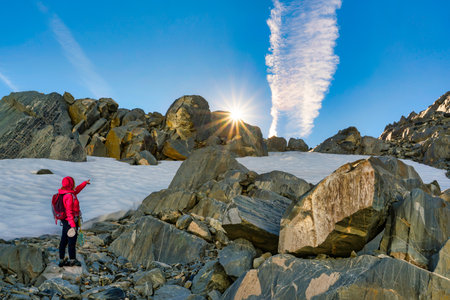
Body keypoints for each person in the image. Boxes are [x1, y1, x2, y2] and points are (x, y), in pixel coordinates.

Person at [58, 176, 90, 267]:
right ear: (71, 184)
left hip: (65, 221)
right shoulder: (69, 196)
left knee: (64, 239)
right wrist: (73, 225)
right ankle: (72, 260)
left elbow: (77, 190)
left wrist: (84, 183)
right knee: (71, 241)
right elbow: (69, 211)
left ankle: (61, 259)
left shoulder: (66, 192)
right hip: (70, 221)